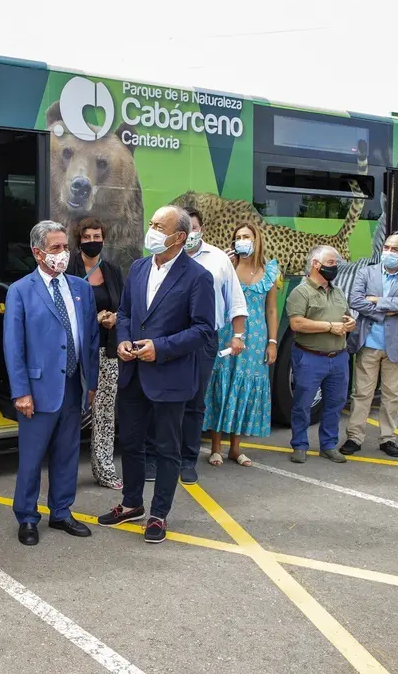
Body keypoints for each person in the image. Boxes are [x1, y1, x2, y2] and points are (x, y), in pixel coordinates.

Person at [97, 206, 215, 544]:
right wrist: (121, 342)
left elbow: (204, 330)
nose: (150, 229)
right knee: (131, 443)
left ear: (178, 237)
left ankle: (158, 514)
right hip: (133, 373)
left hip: (169, 376)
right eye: (150, 223)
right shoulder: (137, 268)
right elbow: (126, 313)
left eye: (158, 226)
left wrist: (160, 348)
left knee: (166, 449)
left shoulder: (197, 277)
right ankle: (131, 503)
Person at [4, 221, 99, 545]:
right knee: (31, 458)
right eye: (55, 248)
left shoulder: (80, 288)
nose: (63, 253)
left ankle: (61, 512)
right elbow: (14, 347)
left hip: (73, 384)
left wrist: (92, 383)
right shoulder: (21, 291)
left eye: (64, 247)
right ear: (37, 252)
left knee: (68, 454)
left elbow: (90, 339)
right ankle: (27, 517)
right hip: (38, 389)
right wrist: (20, 392)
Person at [171, 207, 247, 482]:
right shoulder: (165, 256)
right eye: (183, 228)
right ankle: (160, 457)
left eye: (193, 227)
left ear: (201, 229)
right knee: (164, 399)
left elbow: (236, 299)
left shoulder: (217, 259)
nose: (189, 233)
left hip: (203, 339)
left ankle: (188, 460)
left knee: (194, 401)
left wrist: (238, 335)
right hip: (169, 339)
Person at [202, 222, 281, 465]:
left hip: (255, 339)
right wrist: (220, 266)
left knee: (243, 388)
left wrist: (272, 342)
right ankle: (216, 446)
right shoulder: (227, 266)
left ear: (257, 240)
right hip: (227, 334)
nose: (241, 240)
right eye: (238, 237)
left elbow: (271, 309)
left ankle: (236, 448)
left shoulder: (270, 270)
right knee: (221, 384)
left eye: (246, 236)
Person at [341, 232, 398, 459]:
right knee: (362, 393)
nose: (388, 252)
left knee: (392, 395)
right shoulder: (366, 272)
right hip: (368, 342)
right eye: (386, 247)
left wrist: (375, 300)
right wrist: (388, 310)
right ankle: (354, 437)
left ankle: (388, 439)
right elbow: (355, 300)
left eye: (395, 249)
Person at [66, 217, 125, 490]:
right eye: (87, 237)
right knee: (70, 411)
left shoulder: (112, 271)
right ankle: (63, 469)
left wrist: (114, 318)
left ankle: (104, 470)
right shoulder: (68, 270)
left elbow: (124, 307)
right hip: (76, 351)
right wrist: (92, 318)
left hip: (107, 350)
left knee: (104, 412)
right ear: (79, 240)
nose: (92, 241)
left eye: (97, 236)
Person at [285, 245, 355, 464]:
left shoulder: (338, 291)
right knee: (303, 404)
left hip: (339, 357)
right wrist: (329, 326)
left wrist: (350, 322)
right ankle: (299, 445)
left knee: (335, 403)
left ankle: (329, 445)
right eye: (331, 263)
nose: (335, 267)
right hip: (310, 358)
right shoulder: (300, 292)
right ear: (316, 264)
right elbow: (297, 323)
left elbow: (346, 316)